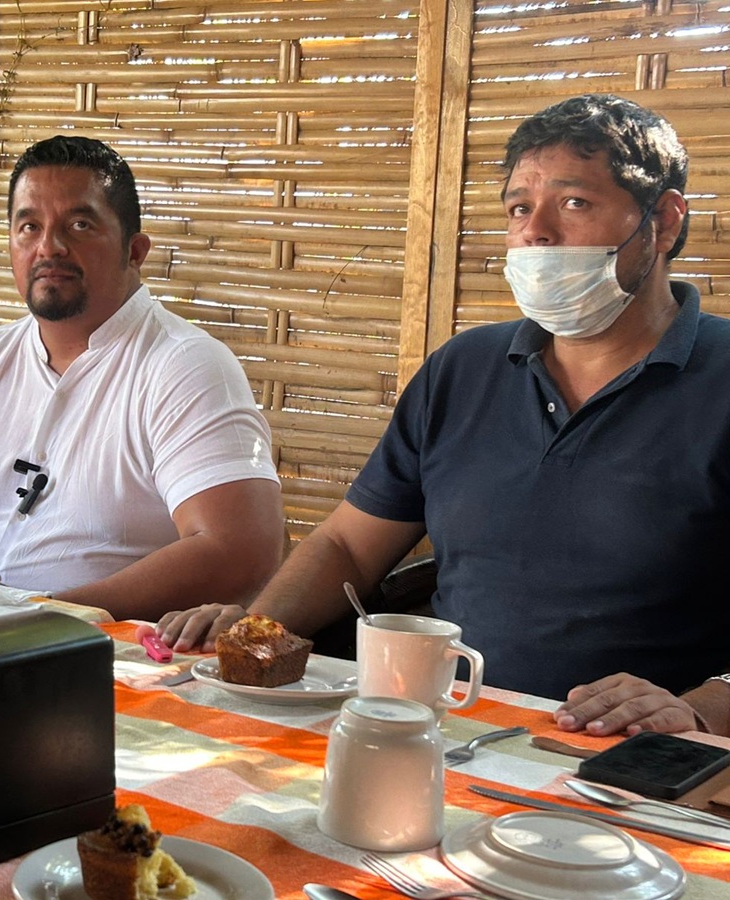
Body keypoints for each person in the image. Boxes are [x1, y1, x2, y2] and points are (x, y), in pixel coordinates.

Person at [156, 94, 730, 738]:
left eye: (574, 203)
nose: (536, 231)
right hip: (446, 732)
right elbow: (346, 545)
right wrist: (253, 632)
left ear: (663, 223)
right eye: (519, 208)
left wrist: (702, 708)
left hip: (638, 764)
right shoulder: (463, 370)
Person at [0, 135, 285, 621]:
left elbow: (239, 551)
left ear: (134, 251)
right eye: (29, 226)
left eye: (79, 223)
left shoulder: (186, 365)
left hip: (102, 658)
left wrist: (32, 615)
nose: (49, 246)